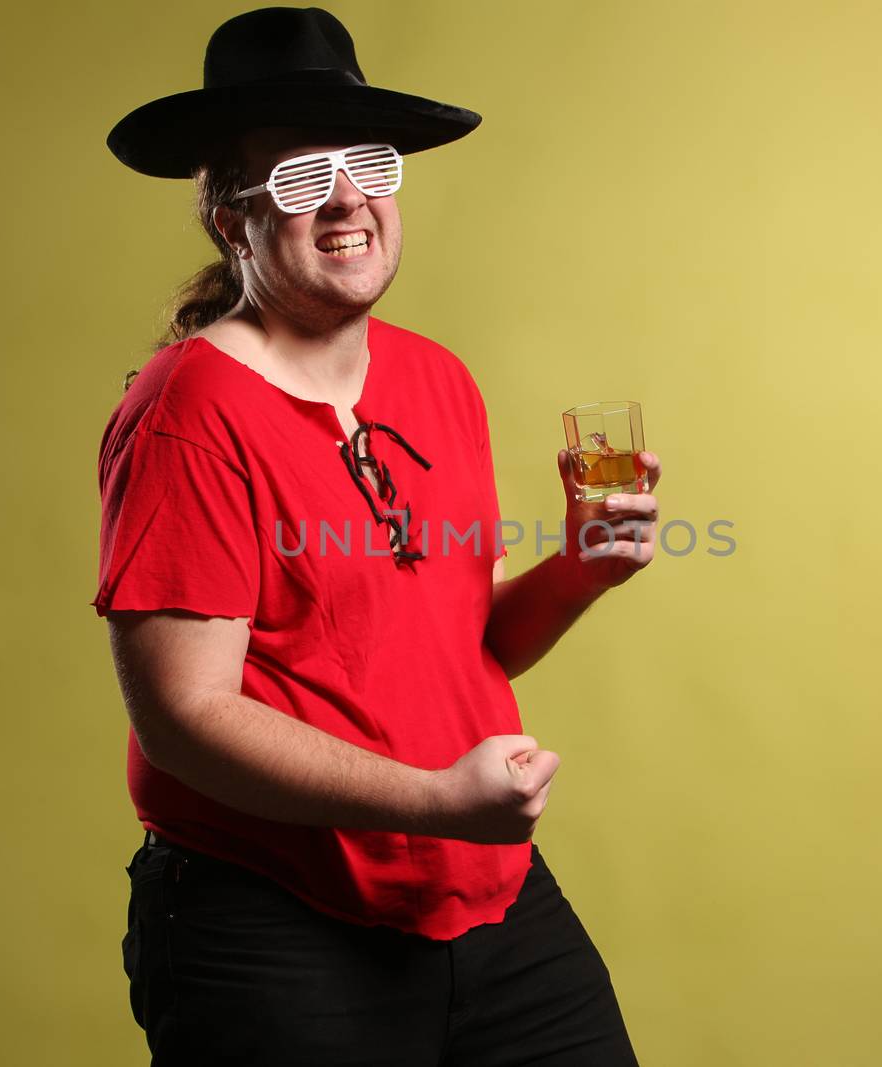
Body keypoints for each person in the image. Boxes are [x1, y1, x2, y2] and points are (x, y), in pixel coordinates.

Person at [91, 8, 662, 1064]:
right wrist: (439, 797)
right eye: (303, 178)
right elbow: (184, 715)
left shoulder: (436, 377)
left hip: (482, 894)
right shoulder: (190, 411)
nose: (349, 198)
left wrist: (581, 567)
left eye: (370, 163)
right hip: (273, 926)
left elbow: (467, 638)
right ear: (229, 213)